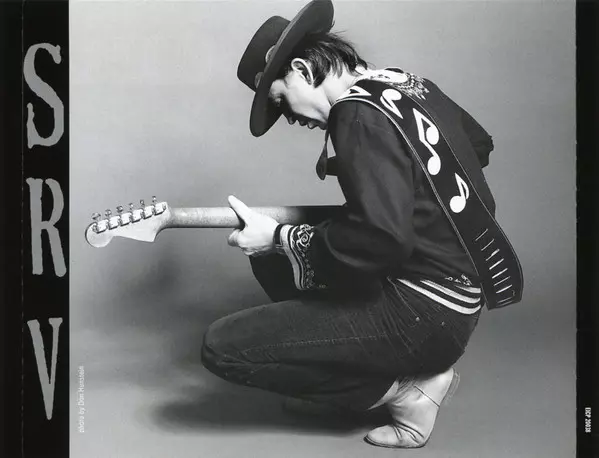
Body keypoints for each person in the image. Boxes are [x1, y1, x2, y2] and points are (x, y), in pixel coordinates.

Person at [201, 0, 517, 448]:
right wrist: (397, 183)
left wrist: (279, 234)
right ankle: (361, 381)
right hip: (460, 304)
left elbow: (381, 239)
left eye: (281, 100)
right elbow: (478, 145)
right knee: (273, 261)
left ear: (301, 71)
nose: (289, 118)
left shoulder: (355, 115)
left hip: (424, 314)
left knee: (220, 348)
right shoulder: (405, 83)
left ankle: (408, 392)